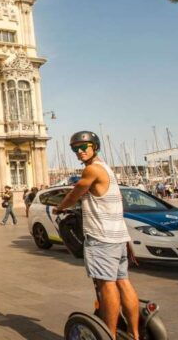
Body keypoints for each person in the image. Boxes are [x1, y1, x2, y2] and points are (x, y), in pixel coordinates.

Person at [53, 131, 140, 340]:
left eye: (84, 147)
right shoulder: (107, 169)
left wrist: (60, 207)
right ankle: (134, 333)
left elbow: (76, 192)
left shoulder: (92, 170)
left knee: (106, 284)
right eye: (75, 149)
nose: (79, 152)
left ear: (95, 146)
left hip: (102, 238)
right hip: (118, 236)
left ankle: (108, 334)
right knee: (122, 281)